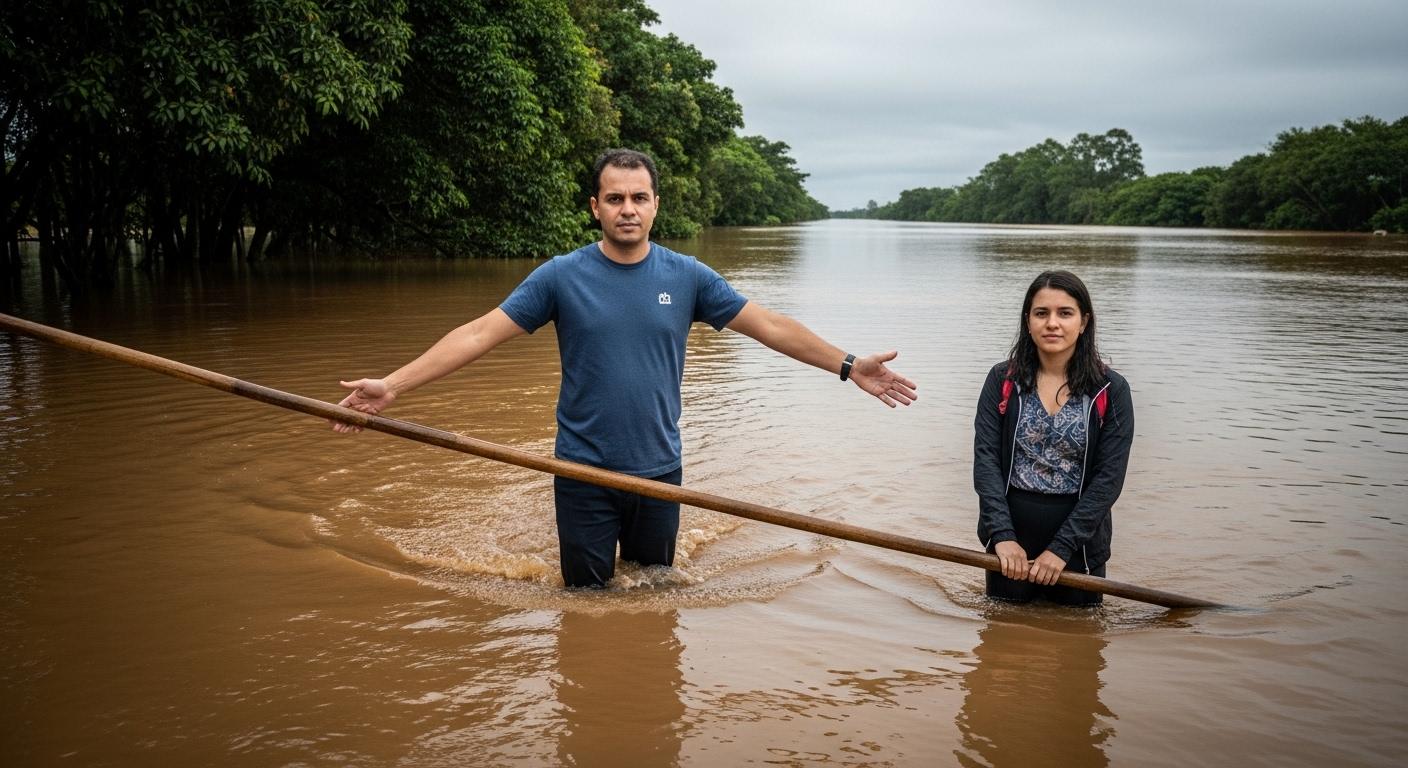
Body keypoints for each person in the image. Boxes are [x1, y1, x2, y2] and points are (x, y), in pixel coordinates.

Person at [332, 148, 918, 588]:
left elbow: (768, 325)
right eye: (615, 198)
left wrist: (847, 365)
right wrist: (393, 385)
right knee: (585, 604)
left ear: (656, 205)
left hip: (659, 472)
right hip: (582, 471)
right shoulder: (561, 276)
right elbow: (480, 333)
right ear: (596, 207)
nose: (628, 209)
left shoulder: (687, 276)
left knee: (656, 593)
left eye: (639, 197)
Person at [972, 270, 1133, 605]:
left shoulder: (1110, 389)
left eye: (1065, 313)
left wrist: (1061, 549)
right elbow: (986, 461)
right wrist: (1002, 536)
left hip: (1079, 544)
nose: (1052, 324)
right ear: (1028, 321)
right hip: (1011, 540)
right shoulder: (1003, 379)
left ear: (1084, 321)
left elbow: (1109, 478)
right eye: (1041, 313)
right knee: (1002, 638)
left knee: (1081, 635)